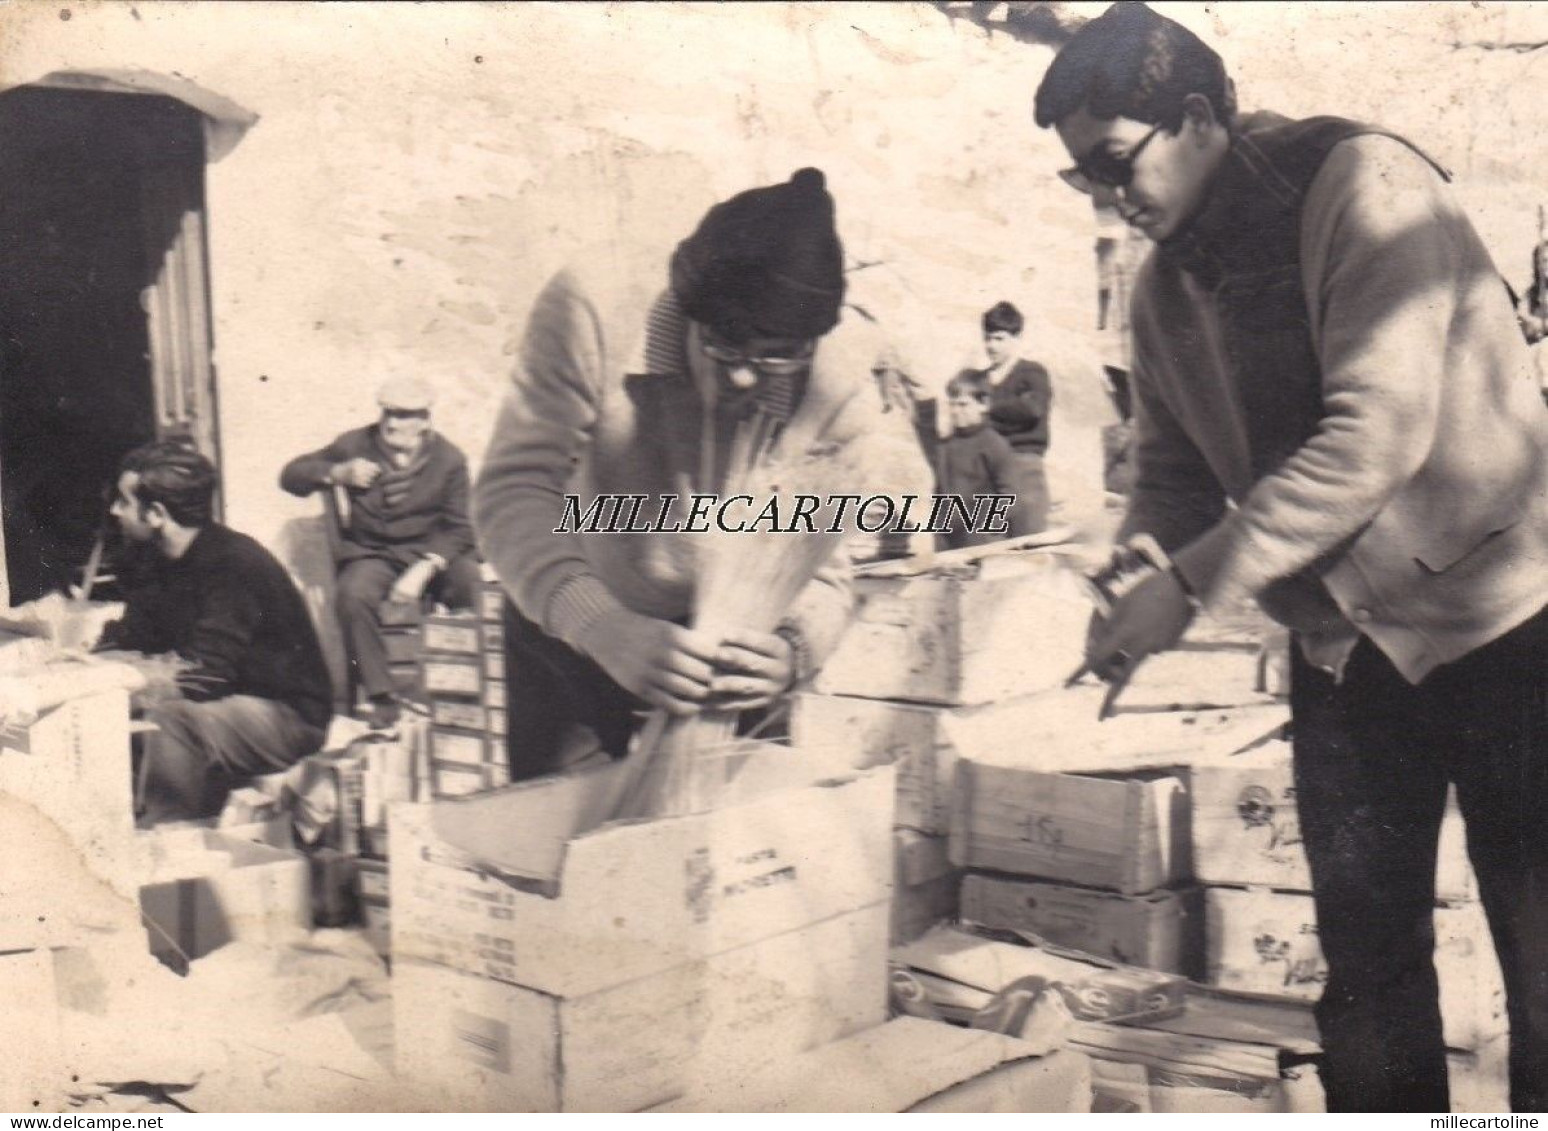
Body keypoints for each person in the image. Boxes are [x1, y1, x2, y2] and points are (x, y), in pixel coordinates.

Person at [1034, 1, 1548, 1112]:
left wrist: (1187, 586)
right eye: (1084, 180)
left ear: (1201, 116)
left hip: (1507, 631)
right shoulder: (1164, 284)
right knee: (1365, 979)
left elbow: (1376, 436)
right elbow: (1169, 475)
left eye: (1117, 164)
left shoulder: (1363, 188)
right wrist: (1136, 566)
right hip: (1340, 657)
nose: (1112, 200)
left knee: (1543, 964)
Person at [473, 168, 927, 780]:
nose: (743, 377)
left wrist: (794, 648)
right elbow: (513, 490)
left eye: (776, 357)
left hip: (721, 650)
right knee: (559, 850)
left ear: (813, 342)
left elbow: (827, 555)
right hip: (576, 614)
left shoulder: (843, 377)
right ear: (687, 315)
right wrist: (600, 626)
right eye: (724, 347)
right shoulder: (594, 308)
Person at [99, 440, 331, 825]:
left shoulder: (232, 564)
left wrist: (125, 686)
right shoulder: (154, 559)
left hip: (286, 715)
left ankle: (170, 843)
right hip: (228, 700)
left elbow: (204, 674)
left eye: (123, 502)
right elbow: (130, 639)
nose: (114, 510)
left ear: (156, 513)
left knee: (174, 722)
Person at [280, 376, 480, 728]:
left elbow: (460, 527)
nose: (392, 422)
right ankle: (381, 696)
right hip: (375, 552)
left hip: (430, 553)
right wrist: (337, 472)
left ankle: (463, 688)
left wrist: (424, 569)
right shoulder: (355, 444)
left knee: (469, 581)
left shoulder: (449, 459)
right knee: (353, 594)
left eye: (404, 415)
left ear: (424, 420)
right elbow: (291, 475)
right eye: (388, 412)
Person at [953, 301, 1052, 532]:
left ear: (1016, 338)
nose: (991, 346)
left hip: (1023, 465)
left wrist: (986, 410)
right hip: (986, 471)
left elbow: (1032, 410)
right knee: (982, 543)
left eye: (999, 339)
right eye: (987, 338)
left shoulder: (1032, 373)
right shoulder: (980, 379)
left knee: (1028, 540)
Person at [935, 371, 1033, 550]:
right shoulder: (945, 445)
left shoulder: (994, 444)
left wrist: (983, 526)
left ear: (984, 405)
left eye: (963, 405)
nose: (955, 411)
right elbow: (941, 494)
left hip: (984, 543)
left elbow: (1012, 498)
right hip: (949, 543)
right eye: (952, 405)